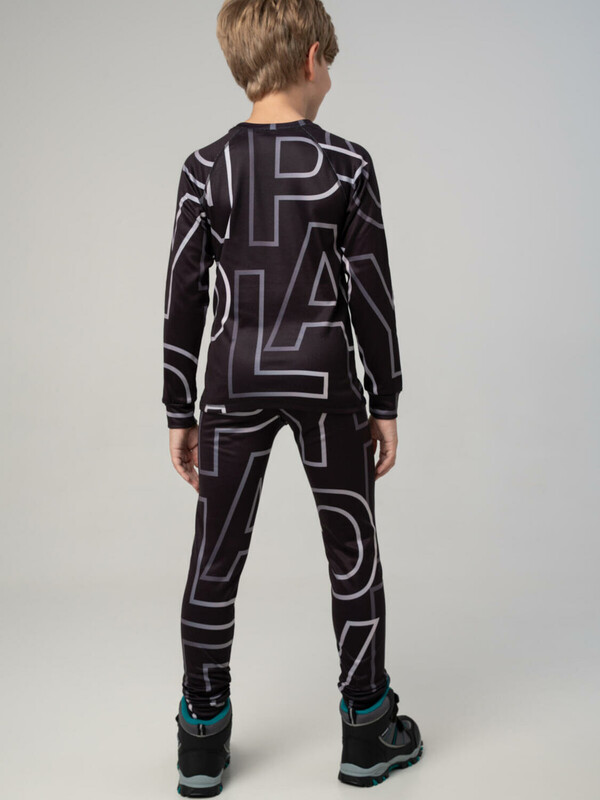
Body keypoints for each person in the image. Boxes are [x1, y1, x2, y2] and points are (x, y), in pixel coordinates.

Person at [162, 0, 423, 794]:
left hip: (234, 377)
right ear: (312, 58)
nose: (331, 75)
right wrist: (385, 398)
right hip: (324, 375)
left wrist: (179, 408)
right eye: (330, 62)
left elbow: (183, 295)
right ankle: (368, 727)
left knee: (216, 554)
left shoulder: (204, 168)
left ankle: (202, 735)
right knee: (352, 547)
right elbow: (372, 292)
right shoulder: (347, 164)